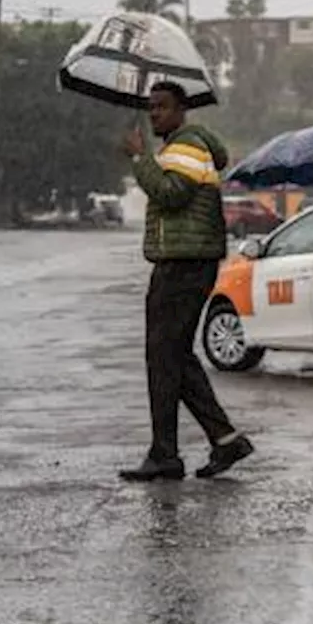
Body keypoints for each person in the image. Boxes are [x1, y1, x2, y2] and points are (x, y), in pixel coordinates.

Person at [119, 81, 254, 482]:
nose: (155, 114)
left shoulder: (187, 146)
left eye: (161, 107)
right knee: (173, 357)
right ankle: (223, 439)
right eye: (151, 108)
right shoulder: (184, 146)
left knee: (163, 357)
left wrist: (141, 158)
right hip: (184, 263)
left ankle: (166, 454)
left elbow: (171, 193)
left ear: (181, 110)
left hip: (183, 266)